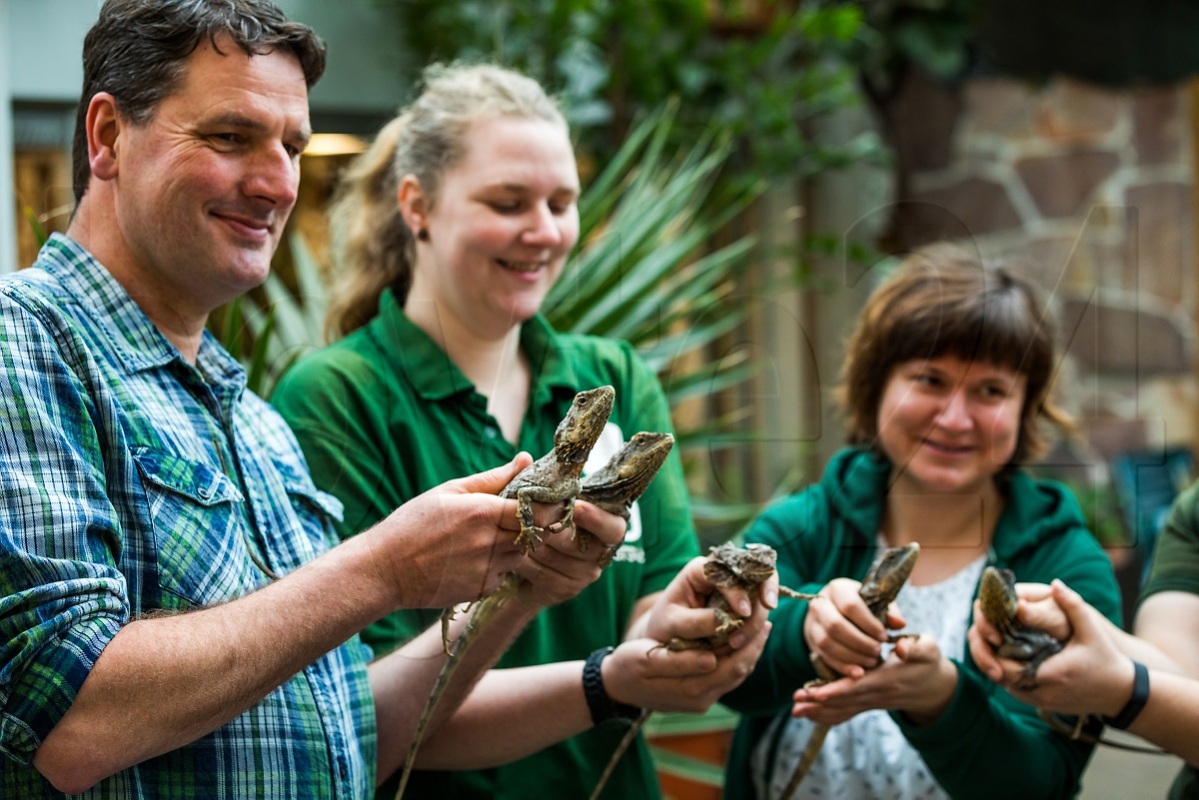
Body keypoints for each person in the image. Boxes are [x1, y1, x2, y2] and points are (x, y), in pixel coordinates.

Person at [0, 2, 622, 797]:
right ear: (108, 137)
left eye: (291, 145)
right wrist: (383, 569)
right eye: (231, 137)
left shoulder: (255, 424)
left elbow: (361, 738)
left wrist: (518, 586)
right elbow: (68, 721)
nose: (275, 182)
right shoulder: (25, 342)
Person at [270, 63, 771, 799]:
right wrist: (602, 681)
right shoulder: (339, 398)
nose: (544, 231)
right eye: (508, 202)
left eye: (561, 202)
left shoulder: (615, 378)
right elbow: (355, 721)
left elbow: (646, 616)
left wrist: (688, 631)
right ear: (418, 206)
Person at [718, 244, 1123, 799]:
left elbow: (1041, 782)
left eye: (990, 391)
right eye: (929, 379)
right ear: (876, 383)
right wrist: (805, 632)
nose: (955, 418)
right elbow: (723, 675)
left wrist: (942, 702)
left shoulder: (1065, 570)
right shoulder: (802, 526)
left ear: (1028, 407)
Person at [969, 478, 1199, 799]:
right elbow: (1180, 681)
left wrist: (1122, 691)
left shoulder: (1069, 549)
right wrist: (1078, 627)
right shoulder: (1193, 509)